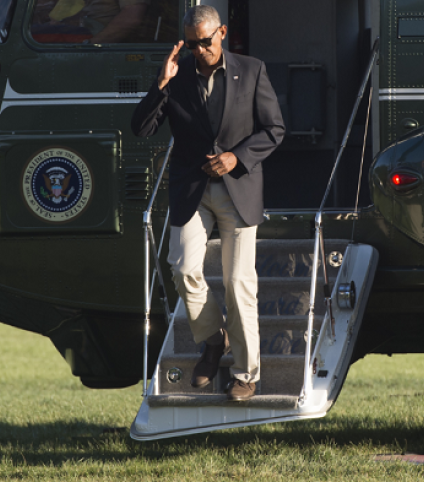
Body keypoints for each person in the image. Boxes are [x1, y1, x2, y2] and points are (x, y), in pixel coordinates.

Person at [131, 5, 285, 401]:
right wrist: (161, 84)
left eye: (206, 41)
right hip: (192, 191)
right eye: (193, 43)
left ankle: (246, 375)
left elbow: (275, 128)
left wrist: (237, 157)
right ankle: (214, 340)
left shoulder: (251, 70)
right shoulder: (177, 75)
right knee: (182, 268)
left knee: (238, 283)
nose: (200, 50)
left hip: (239, 189)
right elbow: (141, 127)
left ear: (222, 33)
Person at [31, 0, 150, 44]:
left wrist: (91, 44)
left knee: (33, 36)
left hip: (96, 32)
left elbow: (132, 17)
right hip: (80, 27)